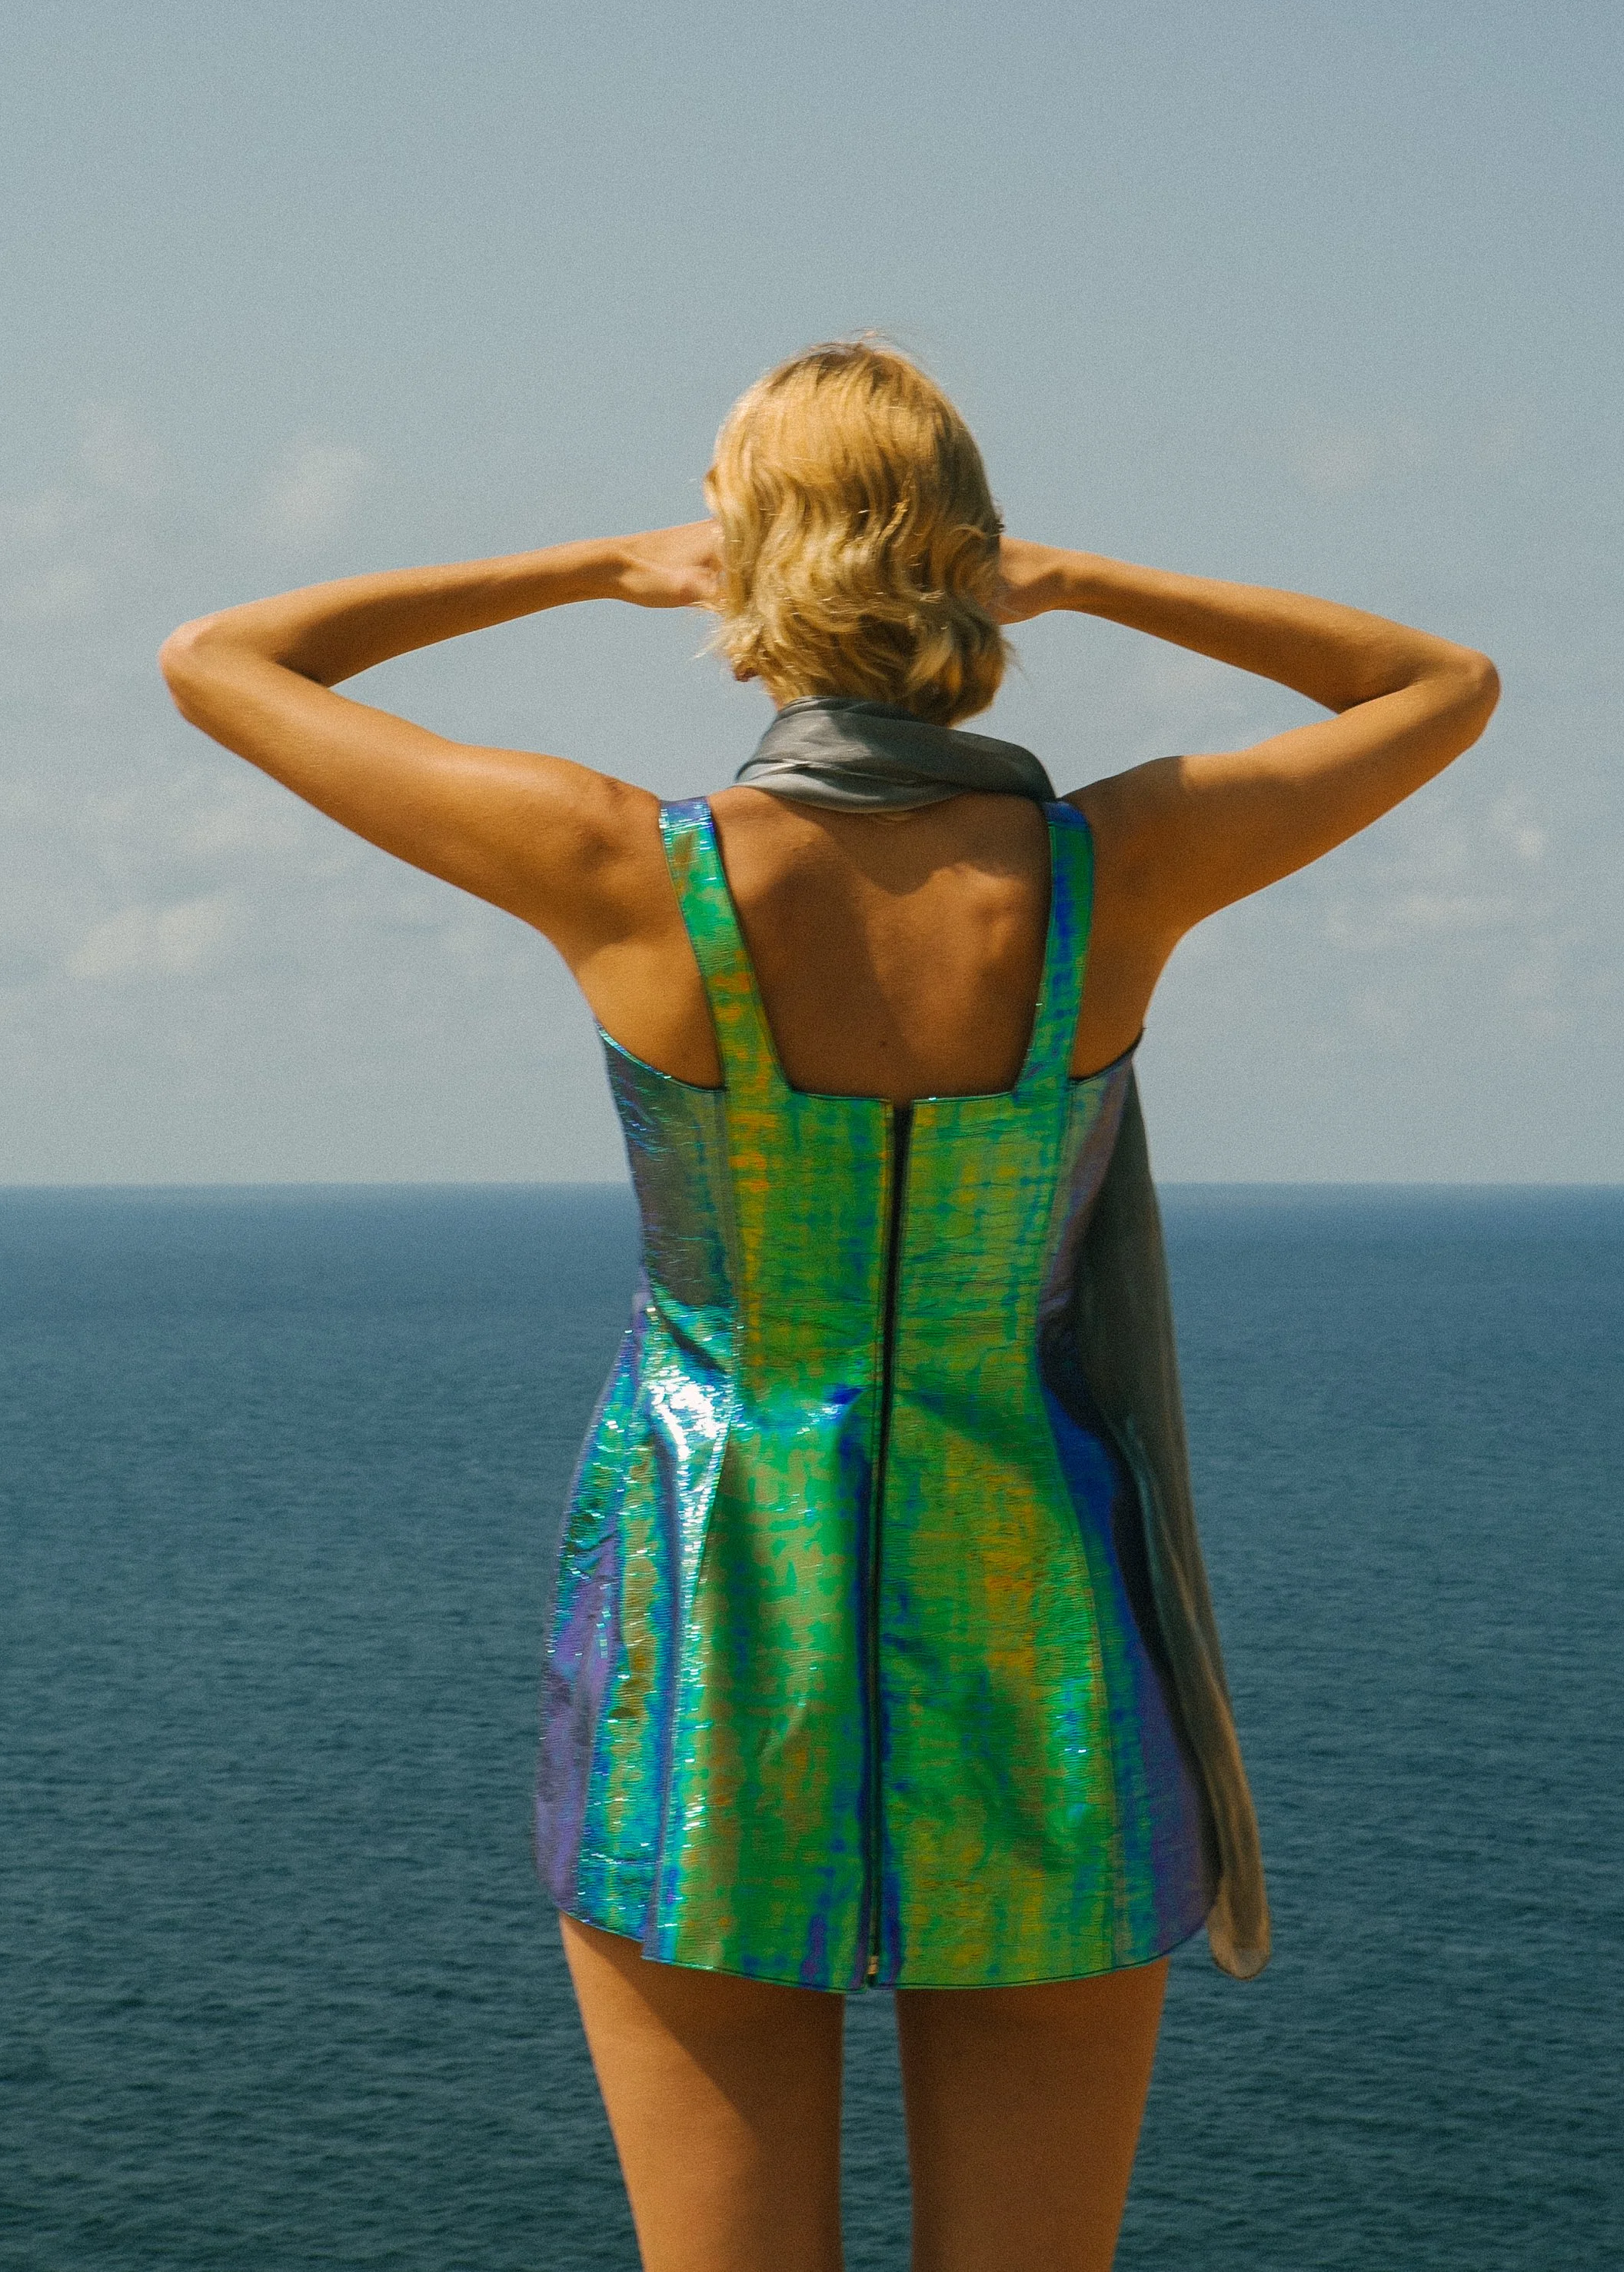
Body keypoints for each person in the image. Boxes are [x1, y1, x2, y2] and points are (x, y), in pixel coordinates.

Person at [161, 338, 1497, 2272]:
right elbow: (1437, 686)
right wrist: (1079, 579)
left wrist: (586, 569)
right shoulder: (1114, 869)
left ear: (735, 551)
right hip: (1029, 1607)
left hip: (706, 1625)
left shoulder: (621, 869)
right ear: (963, 554)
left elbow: (221, 660)